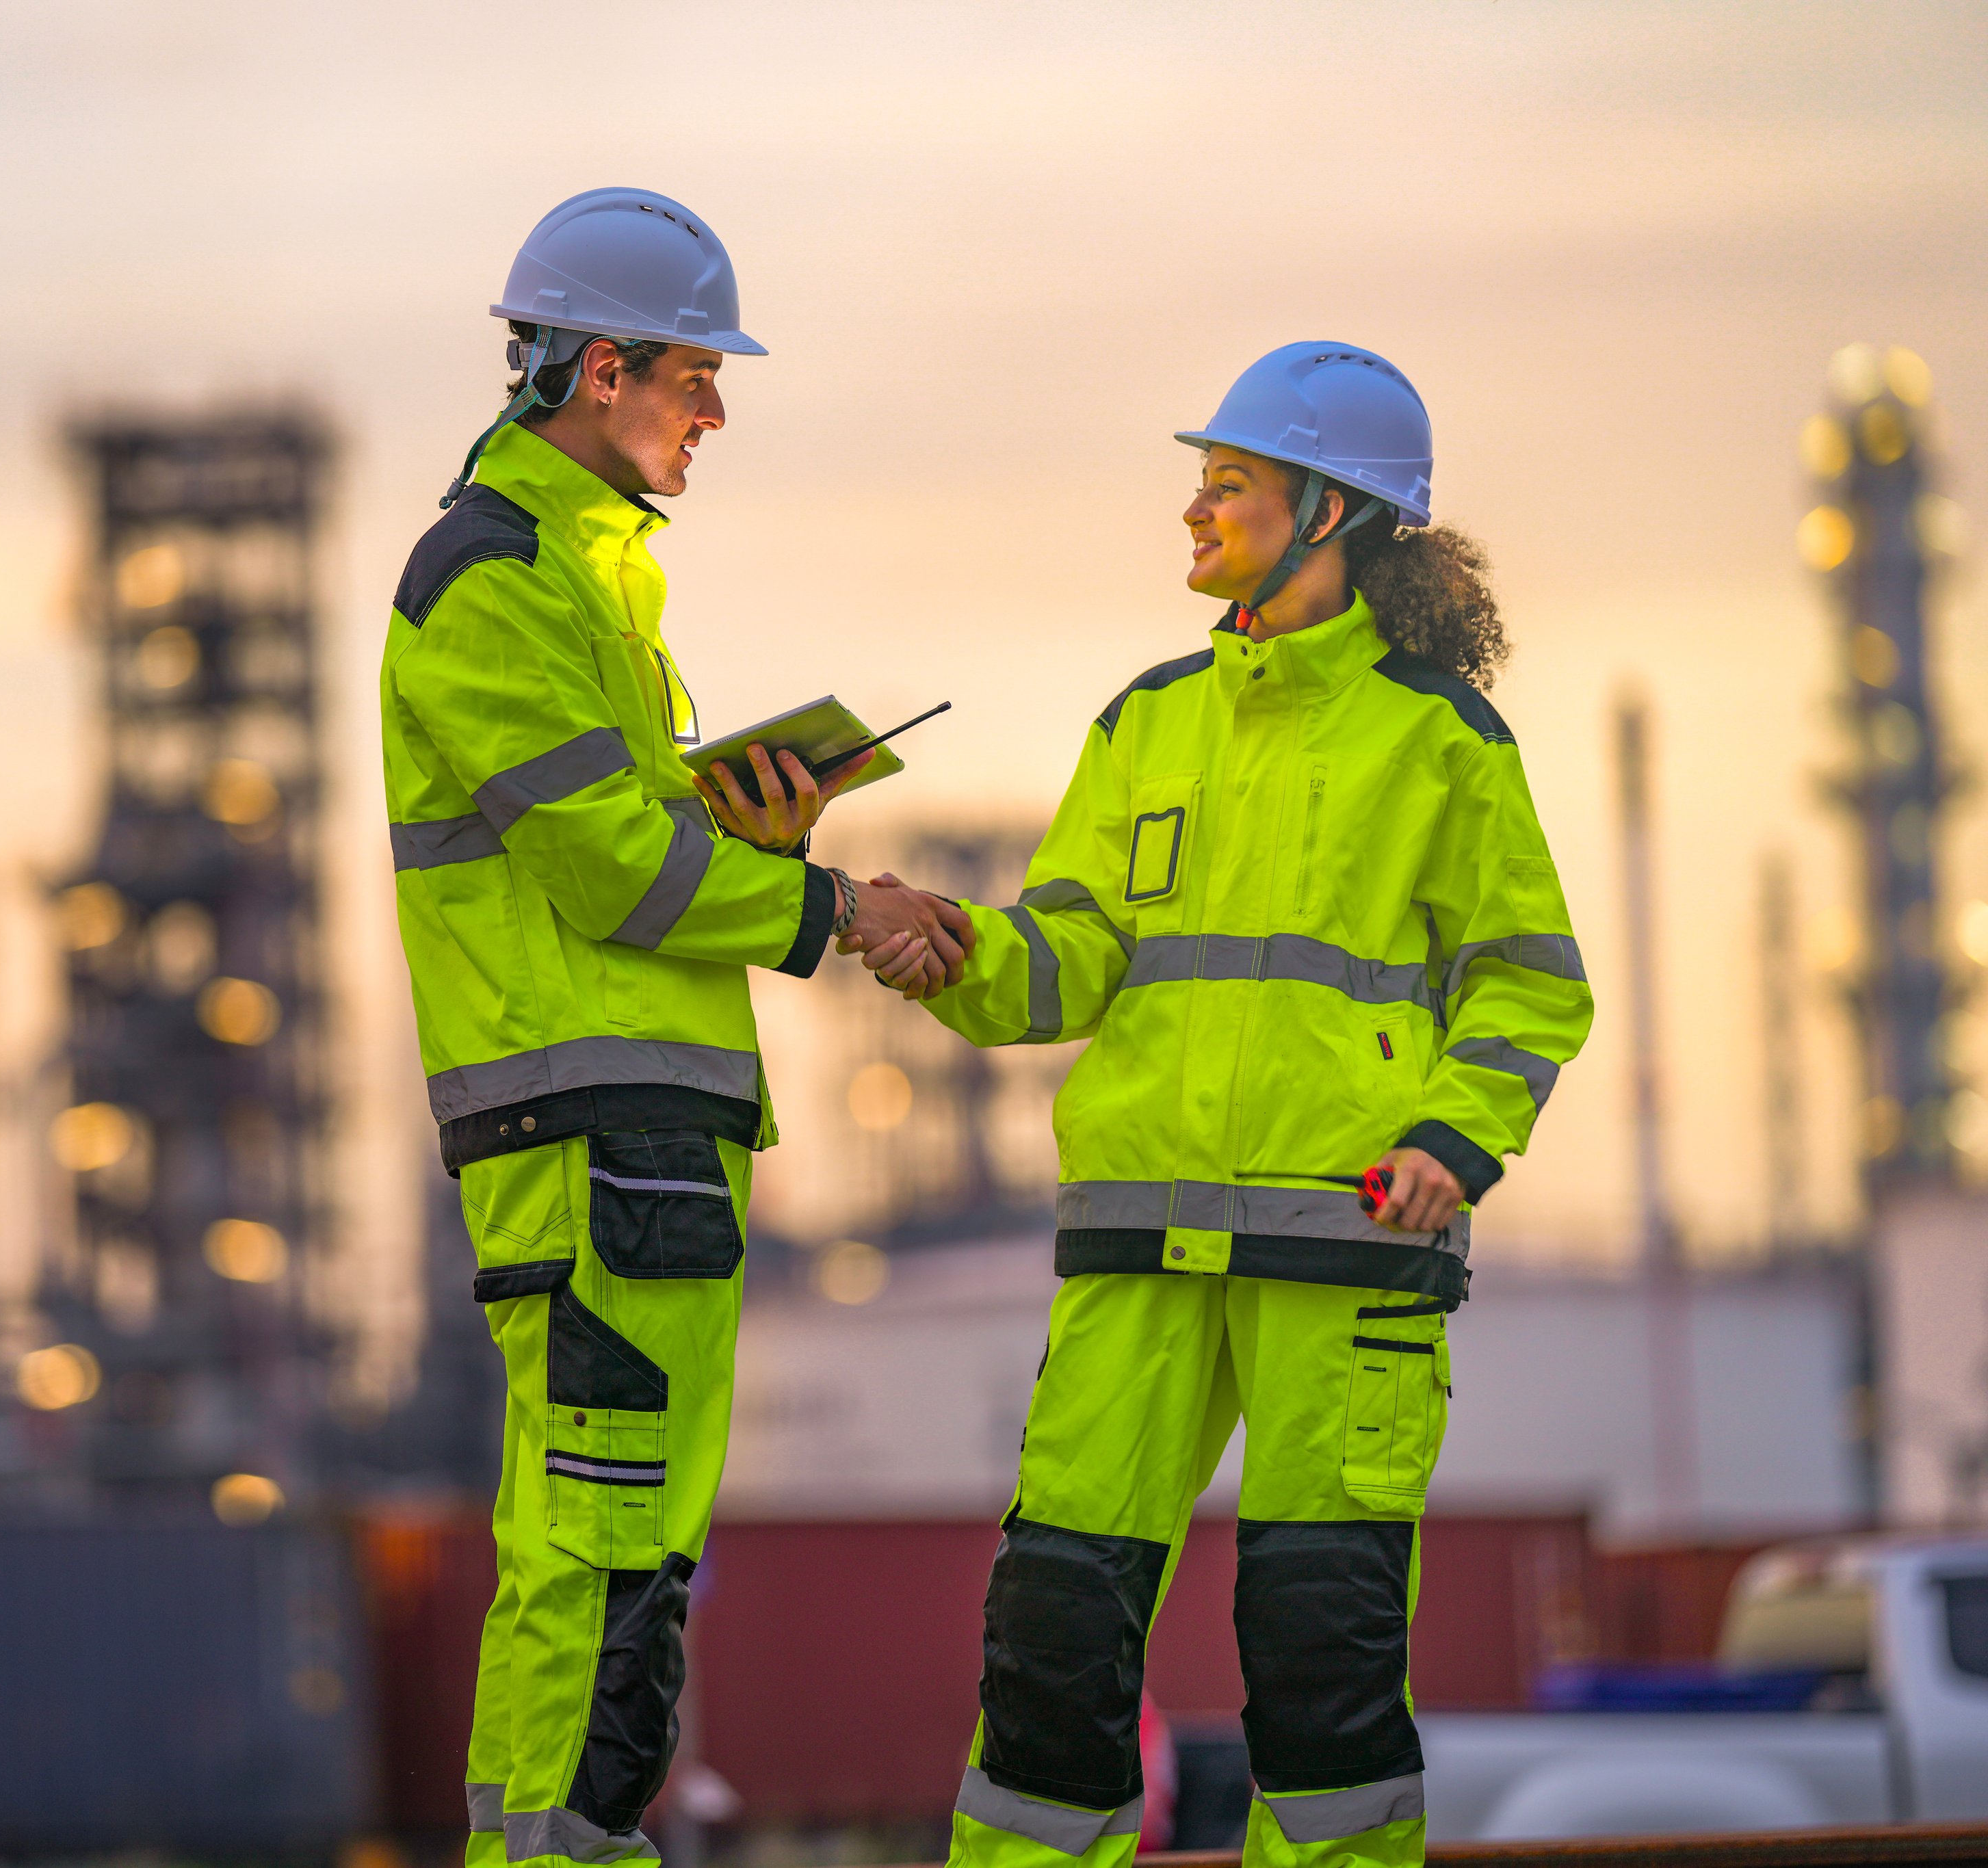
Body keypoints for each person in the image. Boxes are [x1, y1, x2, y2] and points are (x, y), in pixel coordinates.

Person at [863, 343, 1593, 1868]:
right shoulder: (1145, 724)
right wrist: (958, 951)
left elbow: (1527, 985)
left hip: (1341, 1249)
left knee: (1318, 1658)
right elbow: (1065, 960)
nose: (1192, 510)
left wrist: (1448, 1145)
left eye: (1227, 483)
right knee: (1052, 1634)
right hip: (1138, 1248)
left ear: (1326, 511)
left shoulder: (1441, 743)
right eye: (1199, 480)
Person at [382, 187, 970, 1868]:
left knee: (611, 1543)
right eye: (695, 377)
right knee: (600, 1544)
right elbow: (606, 864)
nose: (715, 412)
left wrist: (758, 832)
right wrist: (828, 905)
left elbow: (621, 844)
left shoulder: (584, 576)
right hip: (591, 1139)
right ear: (599, 369)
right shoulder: (494, 582)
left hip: (630, 1130)